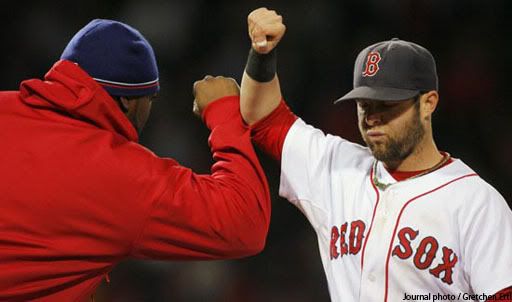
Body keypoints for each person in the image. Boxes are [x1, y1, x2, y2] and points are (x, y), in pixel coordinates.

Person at [239, 7, 512, 302]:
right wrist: (262, 54)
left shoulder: (476, 203)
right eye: (365, 105)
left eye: (388, 104)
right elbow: (263, 118)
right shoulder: (336, 167)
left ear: (428, 103)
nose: (373, 117)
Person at [0, 19, 270, 301]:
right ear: (129, 102)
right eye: (150, 99)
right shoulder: (122, 174)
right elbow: (244, 220)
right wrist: (224, 112)